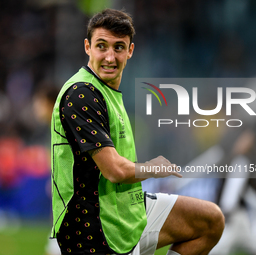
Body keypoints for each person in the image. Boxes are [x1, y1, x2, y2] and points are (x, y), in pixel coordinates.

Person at [51, 8, 224, 255]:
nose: (110, 57)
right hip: (93, 232)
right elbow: (114, 170)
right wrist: (153, 167)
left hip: (126, 213)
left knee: (210, 221)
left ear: (130, 51)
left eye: (118, 48)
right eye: (102, 46)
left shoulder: (106, 90)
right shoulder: (82, 94)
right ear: (87, 47)